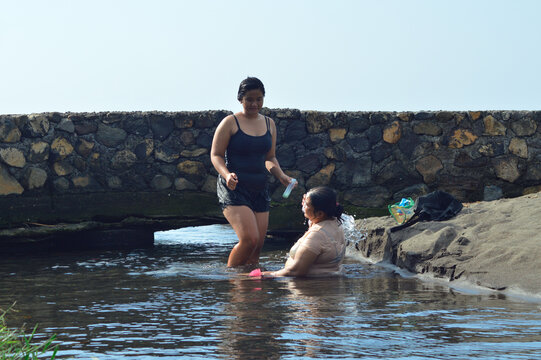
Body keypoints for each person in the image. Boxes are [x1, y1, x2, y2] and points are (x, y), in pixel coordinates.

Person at [210, 77, 294, 267]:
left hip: (259, 189)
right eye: (249, 99)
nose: (254, 104)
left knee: (257, 248)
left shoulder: (269, 123)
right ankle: (231, 279)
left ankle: (251, 291)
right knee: (249, 240)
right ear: (240, 99)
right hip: (234, 188)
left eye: (259, 99)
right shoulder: (230, 123)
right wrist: (226, 175)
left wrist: (281, 175)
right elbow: (216, 155)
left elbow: (269, 158)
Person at [261, 186, 346, 277]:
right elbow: (314, 221)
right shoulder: (334, 222)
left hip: (310, 286)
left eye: (306, 204)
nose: (303, 206)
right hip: (329, 282)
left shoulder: (317, 234)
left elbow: (295, 271)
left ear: (320, 214)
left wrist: (264, 275)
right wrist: (307, 202)